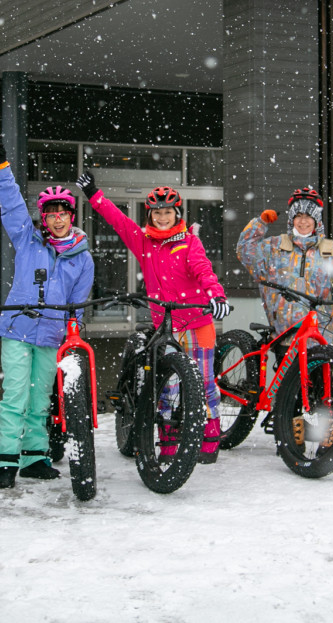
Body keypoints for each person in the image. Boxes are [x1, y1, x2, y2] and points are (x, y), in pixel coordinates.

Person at [76, 172, 230, 463]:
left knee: (206, 382)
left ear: (177, 213)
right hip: (166, 324)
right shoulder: (144, 241)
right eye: (157, 213)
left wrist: (216, 295)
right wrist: (95, 195)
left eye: (167, 212)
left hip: (197, 321)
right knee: (168, 386)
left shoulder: (189, 242)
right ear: (151, 215)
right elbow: (118, 221)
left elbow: (203, 270)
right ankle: (169, 442)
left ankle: (210, 438)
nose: (162, 218)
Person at [0, 143, 94, 488]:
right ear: (44, 218)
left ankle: (34, 456)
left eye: (63, 213)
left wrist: (74, 334)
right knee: (15, 395)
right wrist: (2, 167)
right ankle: (7, 459)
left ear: (71, 216)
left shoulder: (82, 258)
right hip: (18, 328)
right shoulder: (28, 241)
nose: (57, 219)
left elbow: (77, 306)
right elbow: (12, 206)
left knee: (40, 398)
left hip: (51, 335)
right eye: (50, 214)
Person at [237, 186, 333, 346]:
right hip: (285, 335)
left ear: (316, 220)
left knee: (320, 371)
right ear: (292, 219)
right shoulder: (274, 247)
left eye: (308, 216)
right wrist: (260, 224)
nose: (303, 221)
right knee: (288, 371)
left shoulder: (331, 251)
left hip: (322, 335)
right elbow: (245, 250)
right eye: (298, 216)